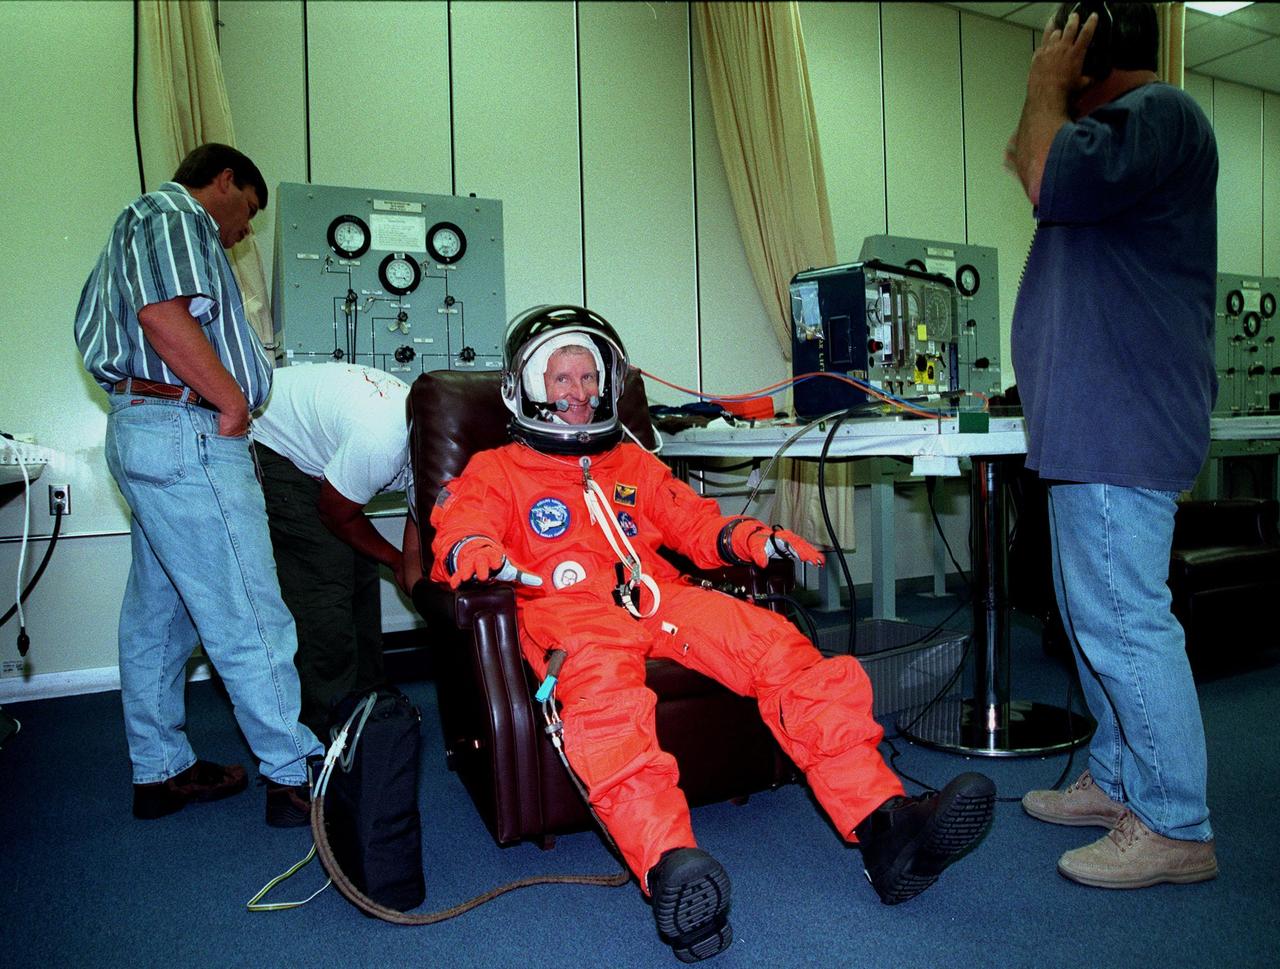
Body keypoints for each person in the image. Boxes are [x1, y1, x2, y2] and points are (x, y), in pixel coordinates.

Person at [429, 305, 996, 962]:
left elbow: (693, 523)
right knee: (607, 704)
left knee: (782, 649)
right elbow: (461, 525)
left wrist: (750, 537)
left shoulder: (631, 463)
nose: (579, 393)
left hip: (658, 595)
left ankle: (886, 828)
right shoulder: (499, 468)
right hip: (568, 613)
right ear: (526, 386)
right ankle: (671, 866)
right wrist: (472, 549)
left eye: (589, 377)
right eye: (562, 378)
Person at [1007, 3, 1219, 888]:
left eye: (1061, 55)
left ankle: (1175, 821)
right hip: (1089, 427)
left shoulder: (1155, 115)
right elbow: (1032, 160)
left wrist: (1042, 86)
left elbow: (1036, 169)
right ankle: (1121, 779)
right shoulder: (1119, 140)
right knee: (1094, 619)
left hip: (1118, 425)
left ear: (1088, 57)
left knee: (1125, 621)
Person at [74, 143, 323, 827]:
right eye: (247, 210)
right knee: (250, 609)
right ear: (223, 181)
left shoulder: (143, 224)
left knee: (161, 614)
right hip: (187, 429)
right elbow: (162, 314)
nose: (245, 231)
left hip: (150, 428)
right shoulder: (172, 211)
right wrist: (233, 404)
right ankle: (294, 772)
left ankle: (161, 771)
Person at [251, 361, 422, 738]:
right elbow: (335, 514)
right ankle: (327, 720)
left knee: (361, 564)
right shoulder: (385, 440)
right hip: (269, 439)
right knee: (324, 573)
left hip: (320, 452)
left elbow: (418, 521)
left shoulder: (444, 449)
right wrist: (395, 560)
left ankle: (369, 698)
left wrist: (416, 576)